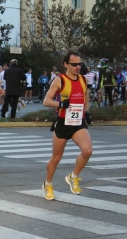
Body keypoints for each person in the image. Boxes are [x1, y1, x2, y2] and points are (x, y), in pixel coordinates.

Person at [42, 51, 92, 201]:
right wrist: (60, 104)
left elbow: (86, 95)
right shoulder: (60, 80)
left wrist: (87, 111)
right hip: (63, 122)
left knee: (87, 150)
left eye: (79, 64)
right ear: (66, 64)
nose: (78, 67)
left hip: (78, 122)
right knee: (56, 158)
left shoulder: (83, 79)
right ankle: (48, 184)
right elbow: (46, 101)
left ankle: (73, 176)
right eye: (74, 64)